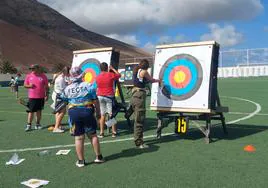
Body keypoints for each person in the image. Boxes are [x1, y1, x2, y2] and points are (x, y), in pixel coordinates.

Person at [61, 67, 104, 167]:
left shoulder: (67, 88)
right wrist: (98, 112)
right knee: (92, 135)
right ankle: (99, 157)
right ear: (81, 75)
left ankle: (81, 161)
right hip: (87, 110)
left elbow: (65, 100)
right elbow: (95, 100)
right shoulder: (89, 85)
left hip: (74, 112)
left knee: (78, 138)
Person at [129, 59, 161, 148]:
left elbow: (142, 81)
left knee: (137, 118)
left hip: (134, 95)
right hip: (139, 96)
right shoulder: (144, 71)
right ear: (146, 66)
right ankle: (139, 142)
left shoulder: (136, 70)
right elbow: (152, 80)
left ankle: (138, 139)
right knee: (139, 119)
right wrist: (160, 80)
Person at [96, 62, 121, 138]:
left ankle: (101, 133)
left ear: (100, 69)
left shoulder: (97, 76)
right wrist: (113, 69)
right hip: (109, 97)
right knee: (111, 114)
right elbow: (119, 75)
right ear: (107, 68)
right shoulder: (110, 75)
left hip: (100, 96)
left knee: (103, 115)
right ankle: (113, 132)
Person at [23, 64, 49, 131]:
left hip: (41, 97)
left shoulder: (43, 76)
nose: (32, 70)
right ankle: (29, 125)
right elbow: (25, 85)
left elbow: (46, 86)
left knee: (39, 111)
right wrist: (30, 86)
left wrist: (47, 95)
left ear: (38, 68)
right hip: (32, 97)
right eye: (31, 69)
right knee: (31, 111)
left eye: (33, 68)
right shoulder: (29, 76)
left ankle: (38, 124)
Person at [50, 66, 70, 133]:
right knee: (62, 112)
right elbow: (63, 88)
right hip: (59, 96)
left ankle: (57, 125)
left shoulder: (61, 77)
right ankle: (56, 127)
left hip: (58, 95)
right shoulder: (61, 78)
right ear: (66, 72)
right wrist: (69, 85)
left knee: (58, 111)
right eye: (68, 72)